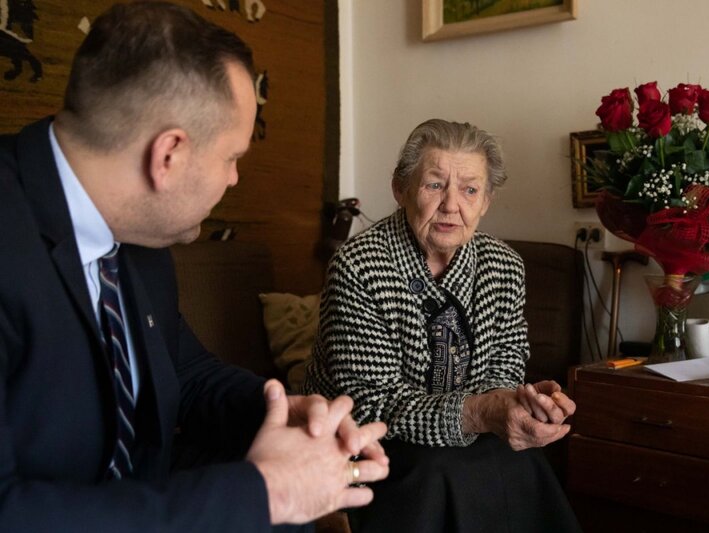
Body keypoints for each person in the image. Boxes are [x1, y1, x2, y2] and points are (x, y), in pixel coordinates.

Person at [0, 2, 389, 531]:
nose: (233, 180)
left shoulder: (140, 232)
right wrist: (267, 492)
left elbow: (182, 370)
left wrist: (277, 408)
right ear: (170, 156)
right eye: (232, 157)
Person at [304, 119, 581, 532]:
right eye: (434, 185)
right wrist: (478, 413)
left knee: (521, 462)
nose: (452, 204)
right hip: (367, 444)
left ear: (486, 200)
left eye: (470, 189)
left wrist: (523, 405)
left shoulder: (502, 266)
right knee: (437, 471)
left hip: (465, 440)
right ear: (401, 190)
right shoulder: (359, 267)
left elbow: (505, 369)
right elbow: (369, 406)